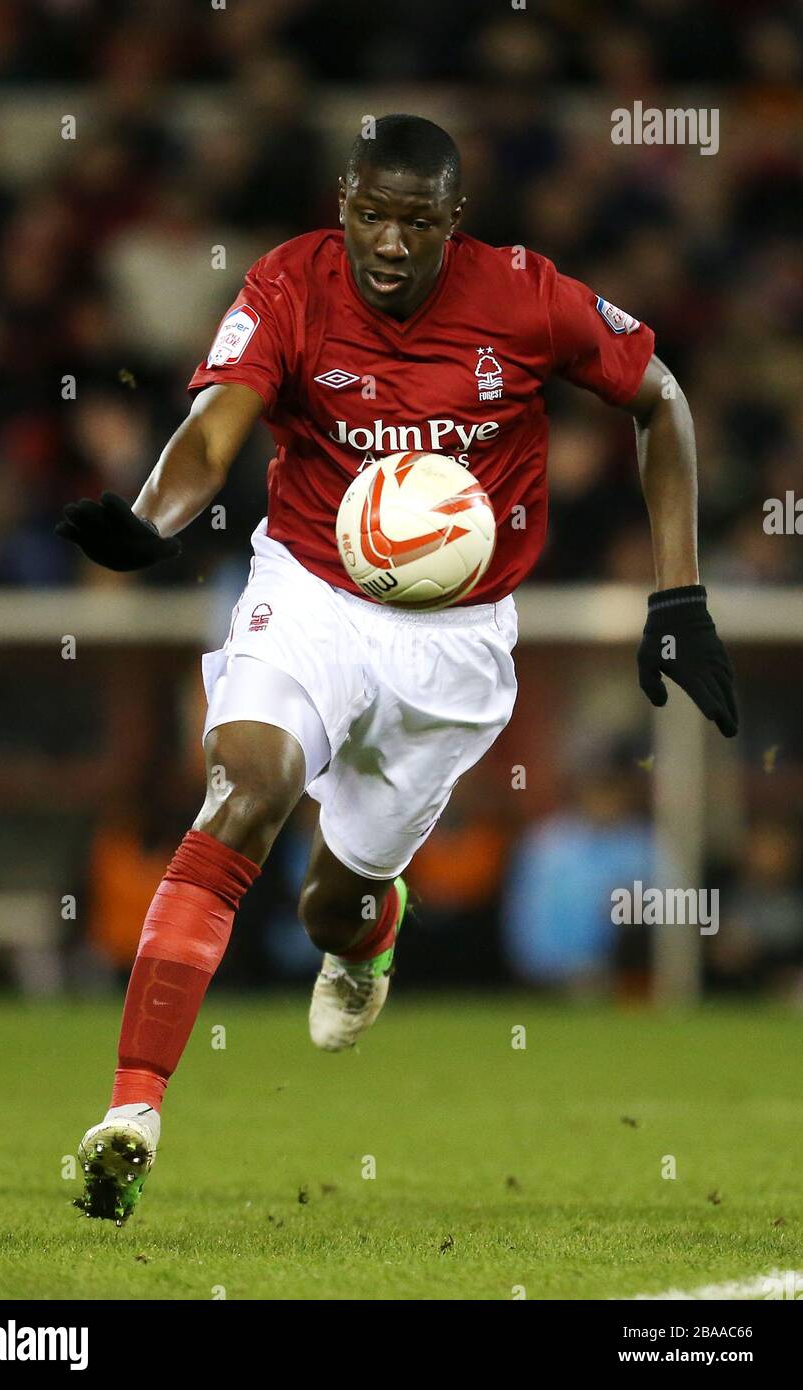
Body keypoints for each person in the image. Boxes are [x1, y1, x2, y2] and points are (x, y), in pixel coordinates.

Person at [57, 114, 738, 1223]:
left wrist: (677, 595)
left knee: (335, 899)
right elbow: (215, 425)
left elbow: (659, 398)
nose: (386, 241)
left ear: (450, 222)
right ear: (342, 202)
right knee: (245, 788)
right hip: (312, 590)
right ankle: (133, 1110)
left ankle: (366, 932)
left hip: (455, 645)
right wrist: (154, 519)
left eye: (413, 221)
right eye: (369, 212)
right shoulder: (288, 285)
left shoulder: (522, 297)